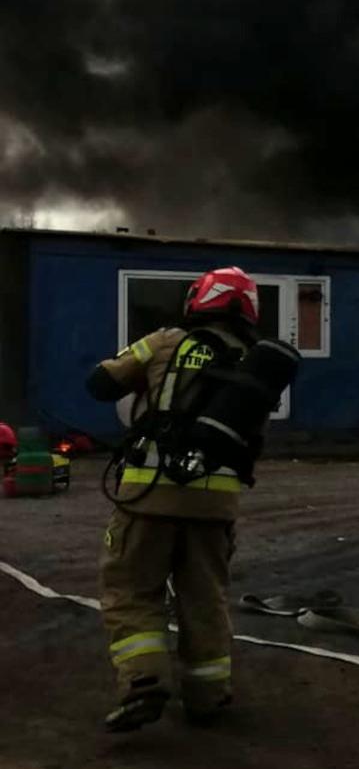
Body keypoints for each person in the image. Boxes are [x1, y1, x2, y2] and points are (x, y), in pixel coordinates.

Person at [86, 266, 261, 731]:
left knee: (130, 588)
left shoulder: (165, 341)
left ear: (200, 299)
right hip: (215, 506)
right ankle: (208, 697)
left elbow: (101, 383)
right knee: (204, 598)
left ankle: (144, 681)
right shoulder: (255, 361)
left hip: (150, 496)